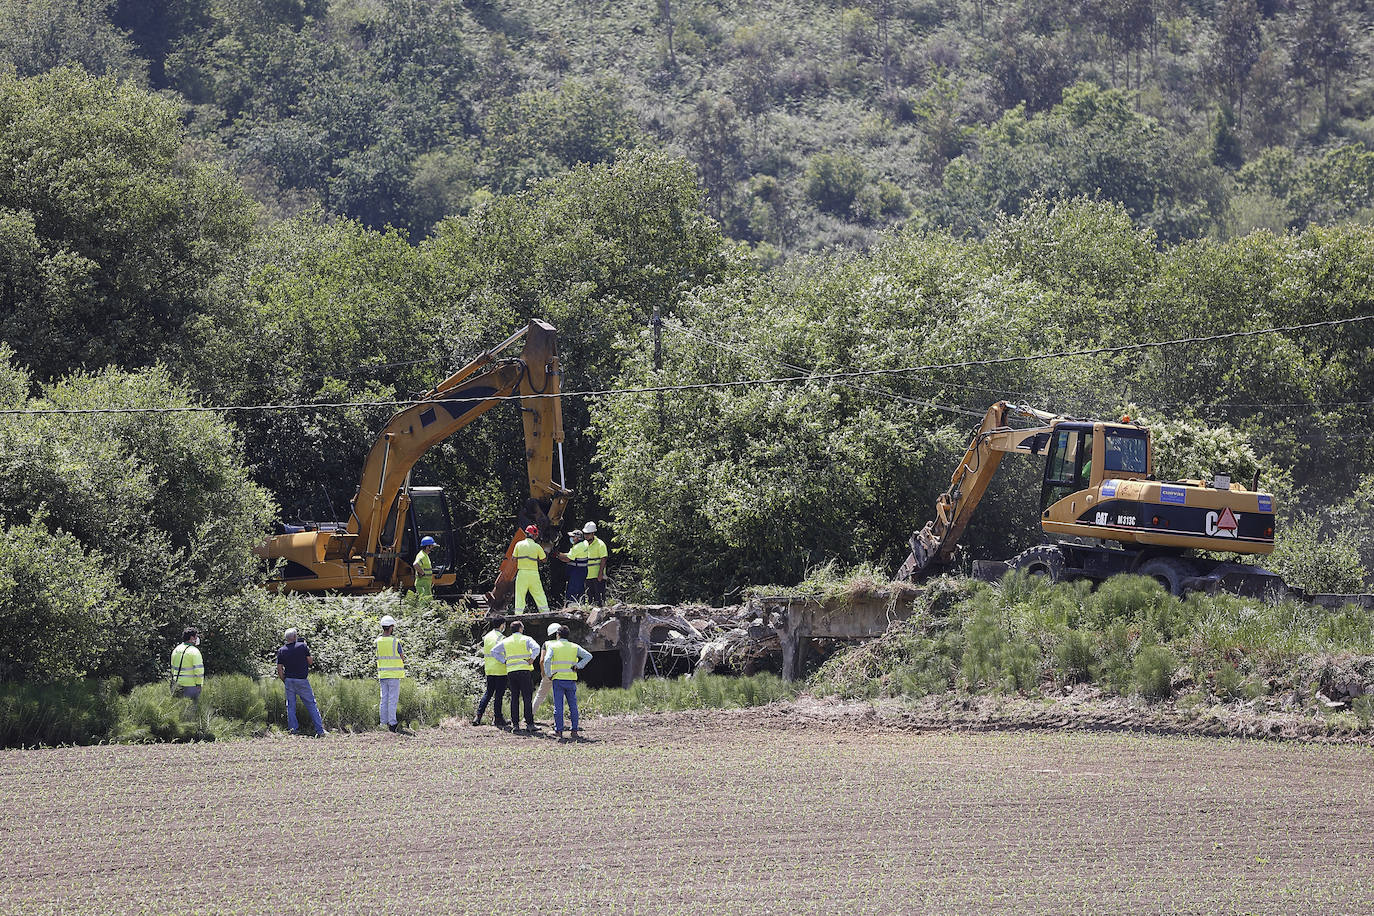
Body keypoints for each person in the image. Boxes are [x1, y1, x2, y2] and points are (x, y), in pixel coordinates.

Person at [543, 625, 592, 739]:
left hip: (558, 679)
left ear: (557, 635)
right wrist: (578, 665)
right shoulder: (574, 646)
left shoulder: (553, 646)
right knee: (573, 706)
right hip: (571, 679)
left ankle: (558, 731)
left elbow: (546, 660)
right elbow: (588, 656)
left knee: (558, 706)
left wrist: (549, 674)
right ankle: (574, 731)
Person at [492, 620, 540, 733]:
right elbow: (537, 648)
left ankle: (515, 725)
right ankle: (530, 724)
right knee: (527, 698)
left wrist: (504, 661)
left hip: (511, 671)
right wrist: (532, 658)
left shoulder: (506, 641)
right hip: (524, 671)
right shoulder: (527, 639)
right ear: (520, 629)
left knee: (514, 698)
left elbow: (494, 651)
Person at [276, 628, 325, 737]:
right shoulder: (302, 646)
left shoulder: (281, 650)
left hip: (289, 680)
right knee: (311, 704)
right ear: (294, 637)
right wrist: (306, 647)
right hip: (302, 680)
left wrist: (285, 680)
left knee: (291, 706)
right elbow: (310, 662)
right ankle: (320, 730)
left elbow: (279, 669)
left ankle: (293, 730)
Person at [474, 617, 509, 728]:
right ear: (502, 625)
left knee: (488, 693)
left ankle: (478, 716)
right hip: (500, 669)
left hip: (489, 669)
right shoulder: (502, 637)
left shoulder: (487, 636)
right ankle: (498, 718)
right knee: (498, 695)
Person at [376, 614, 407, 733]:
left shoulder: (378, 641)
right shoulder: (395, 641)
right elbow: (402, 657)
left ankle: (383, 723)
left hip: (382, 674)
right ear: (390, 627)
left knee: (383, 699)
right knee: (392, 700)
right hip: (394, 675)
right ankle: (392, 724)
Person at [513, 524, 549, 614]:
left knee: (520, 595)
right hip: (533, 574)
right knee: (539, 594)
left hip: (522, 574)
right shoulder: (537, 547)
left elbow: (514, 559)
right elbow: (544, 560)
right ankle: (545, 612)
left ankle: (518, 614)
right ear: (535, 535)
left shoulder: (519, 544)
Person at [170, 627, 204, 704]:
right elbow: (199, 671)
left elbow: (172, 668)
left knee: (179, 709)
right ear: (192, 638)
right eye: (196, 636)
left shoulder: (176, 649)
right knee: (191, 710)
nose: (197, 638)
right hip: (191, 686)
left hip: (177, 684)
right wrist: (199, 684)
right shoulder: (194, 651)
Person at [533, 622, 561, 715]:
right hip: (561, 673)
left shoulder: (546, 644)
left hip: (548, 673)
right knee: (560, 696)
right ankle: (559, 718)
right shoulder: (562, 644)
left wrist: (543, 672)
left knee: (540, 696)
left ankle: (529, 716)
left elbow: (542, 660)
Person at [580, 522, 609, 606]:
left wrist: (600, 574)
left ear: (593, 533)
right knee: (590, 600)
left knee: (599, 599)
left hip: (597, 577)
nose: (586, 535)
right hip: (587, 576)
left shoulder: (600, 544)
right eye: (585, 533)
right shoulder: (583, 545)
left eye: (588, 534)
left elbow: (603, 559)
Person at [555, 529, 587, 605]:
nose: (571, 538)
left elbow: (567, 559)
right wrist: (560, 554)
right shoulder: (584, 543)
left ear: (578, 538)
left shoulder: (577, 547)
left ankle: (571, 608)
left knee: (573, 591)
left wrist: (557, 555)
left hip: (577, 571)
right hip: (582, 570)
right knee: (580, 590)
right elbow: (570, 554)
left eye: (573, 536)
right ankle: (581, 605)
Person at [413, 536, 437, 601]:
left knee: (428, 602)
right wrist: (422, 573)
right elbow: (415, 564)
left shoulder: (425, 555)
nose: (433, 547)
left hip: (425, 583)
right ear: (427, 547)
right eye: (431, 546)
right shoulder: (422, 556)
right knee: (423, 603)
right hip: (422, 584)